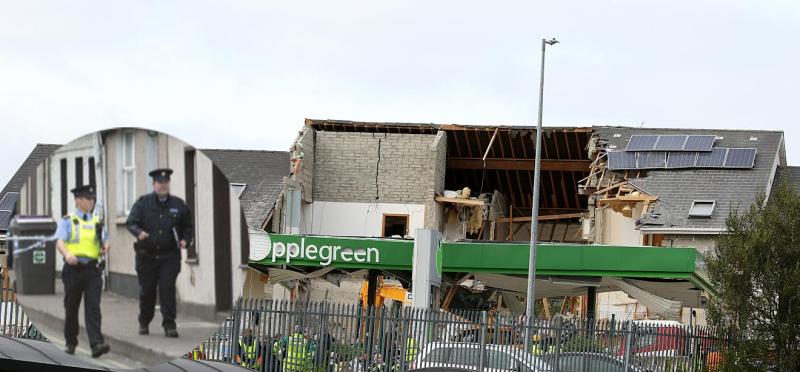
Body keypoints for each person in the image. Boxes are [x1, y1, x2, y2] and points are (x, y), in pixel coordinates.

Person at [126, 168, 193, 337]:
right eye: (159, 183)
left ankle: (169, 325)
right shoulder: (143, 203)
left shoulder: (178, 204)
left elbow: (188, 226)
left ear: (168, 184)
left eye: (165, 183)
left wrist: (186, 240)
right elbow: (131, 222)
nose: (163, 186)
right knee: (147, 292)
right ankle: (144, 320)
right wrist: (139, 232)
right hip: (146, 256)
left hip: (169, 256)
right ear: (153, 184)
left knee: (167, 289)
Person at [55, 184, 111, 358]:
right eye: (88, 199)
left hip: (92, 270)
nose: (91, 201)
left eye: (92, 199)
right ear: (78, 200)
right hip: (73, 270)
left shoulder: (97, 221)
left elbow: (106, 240)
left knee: (93, 308)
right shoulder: (68, 220)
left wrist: (105, 247)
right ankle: (71, 342)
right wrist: (67, 254)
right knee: (72, 308)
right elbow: (60, 242)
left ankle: (96, 344)